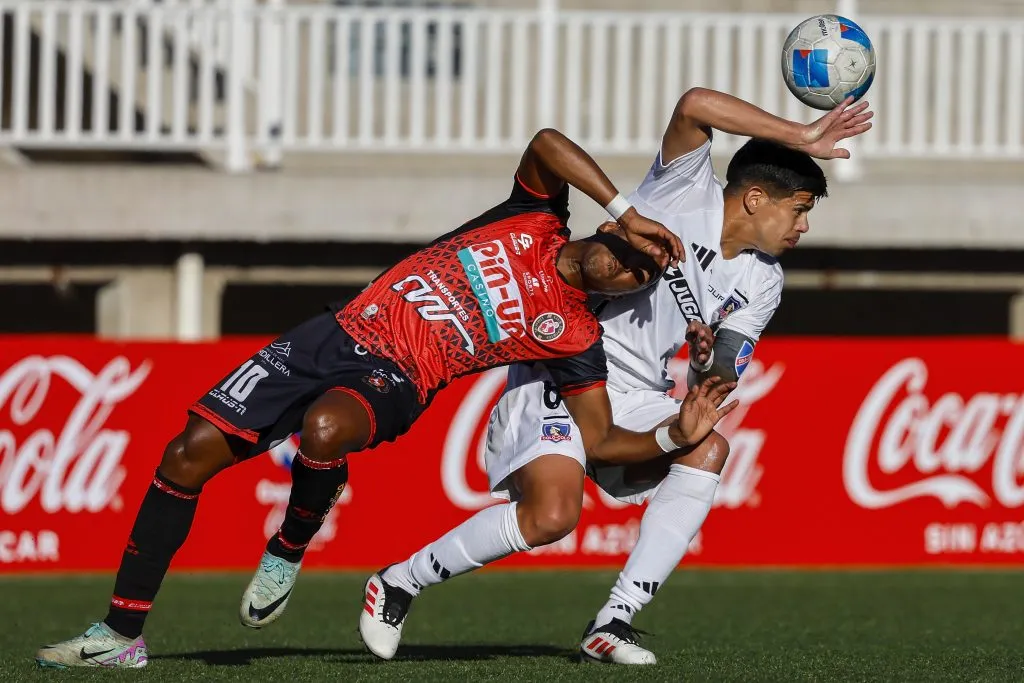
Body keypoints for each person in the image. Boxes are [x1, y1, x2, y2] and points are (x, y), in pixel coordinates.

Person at [34, 128, 741, 669]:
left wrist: (677, 435)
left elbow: (602, 440)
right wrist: (624, 203)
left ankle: (289, 542)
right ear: (613, 229)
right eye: (630, 250)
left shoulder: (574, 333)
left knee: (324, 428)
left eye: (637, 277)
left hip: (403, 376)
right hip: (332, 334)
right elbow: (547, 144)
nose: (626, 268)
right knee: (185, 453)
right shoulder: (534, 214)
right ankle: (122, 633)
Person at [356, 90, 873, 663]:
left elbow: (726, 362)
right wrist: (800, 135)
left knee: (708, 449)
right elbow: (695, 103)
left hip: (638, 391)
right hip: (566, 368)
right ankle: (401, 580)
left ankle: (615, 619)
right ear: (755, 198)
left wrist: (707, 363)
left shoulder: (763, 280)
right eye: (798, 209)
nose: (803, 226)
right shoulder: (684, 190)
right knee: (551, 518)